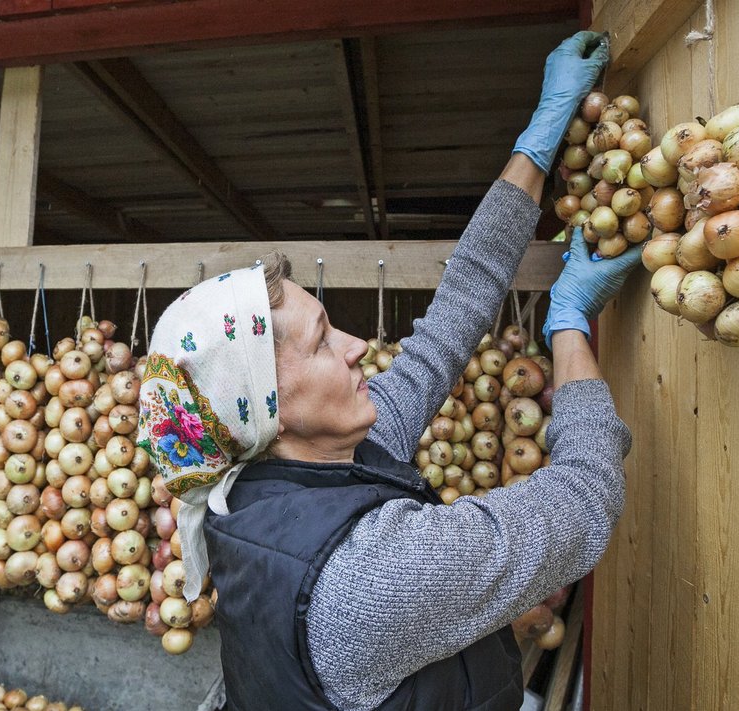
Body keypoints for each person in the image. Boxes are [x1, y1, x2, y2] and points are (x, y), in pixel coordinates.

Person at [136, 30, 641, 710]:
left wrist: (538, 140)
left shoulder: (270, 480)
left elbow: (453, 319)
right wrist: (571, 324)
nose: (356, 346)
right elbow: (582, 501)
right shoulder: (370, 577)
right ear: (269, 408)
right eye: (321, 343)